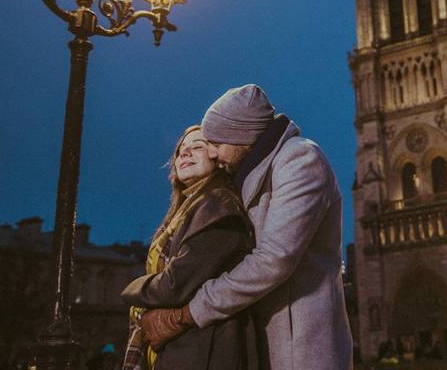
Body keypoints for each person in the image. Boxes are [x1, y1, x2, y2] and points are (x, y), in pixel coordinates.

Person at [140, 85, 353, 369]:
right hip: (261, 341)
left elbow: (273, 259)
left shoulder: (299, 159)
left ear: (241, 135)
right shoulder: (246, 173)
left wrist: (187, 315)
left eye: (215, 143)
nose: (212, 154)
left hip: (298, 345)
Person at [121, 126, 257, 370]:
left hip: (205, 349)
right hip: (186, 346)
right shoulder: (187, 211)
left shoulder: (218, 205)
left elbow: (176, 284)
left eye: (197, 147)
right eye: (181, 151)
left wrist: (132, 289)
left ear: (218, 157)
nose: (185, 154)